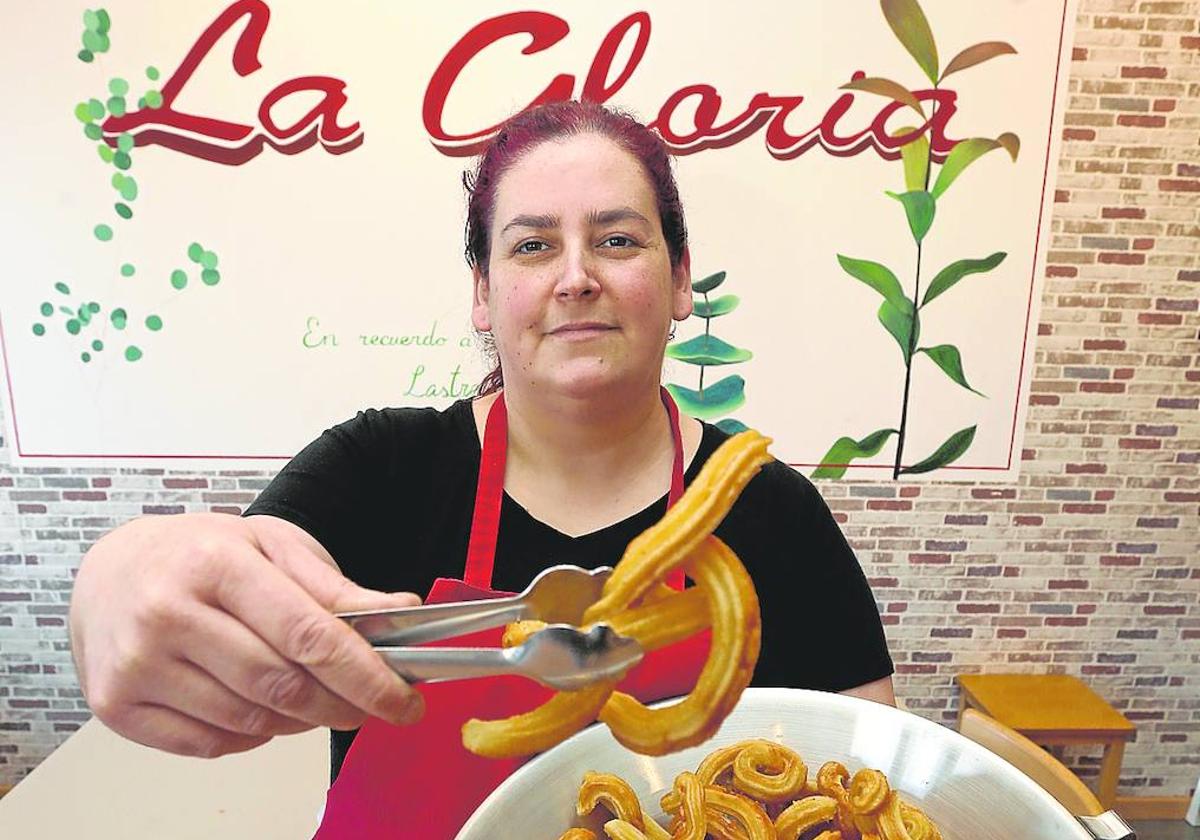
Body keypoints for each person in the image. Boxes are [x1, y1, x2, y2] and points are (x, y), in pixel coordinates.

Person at [69, 100, 894, 834]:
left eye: (617, 239)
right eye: (533, 245)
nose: (576, 277)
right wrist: (120, 578)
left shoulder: (772, 513)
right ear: (483, 291)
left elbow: (873, 774)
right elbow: (235, 565)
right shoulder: (381, 470)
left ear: (680, 279)